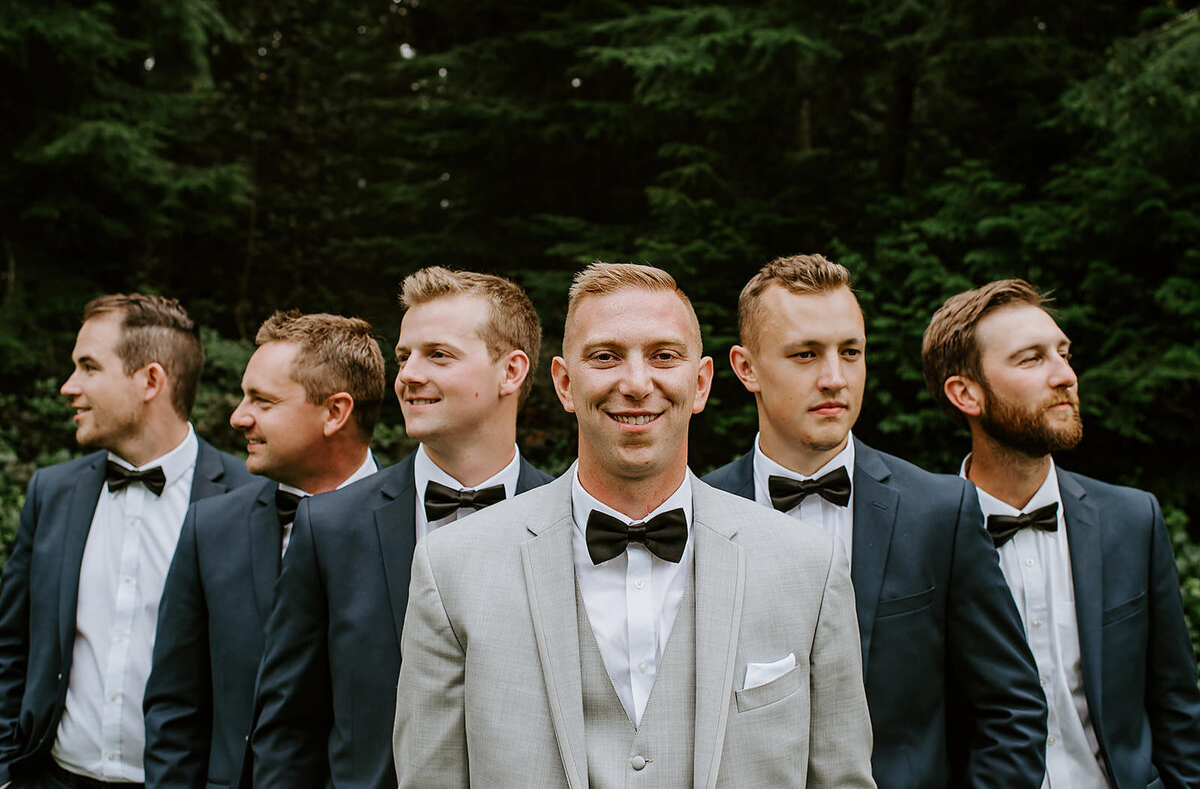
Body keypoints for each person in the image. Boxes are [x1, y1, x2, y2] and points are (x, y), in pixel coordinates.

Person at [394, 263, 875, 789]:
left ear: (700, 384)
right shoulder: (452, 568)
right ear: (563, 383)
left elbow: (841, 778)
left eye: (664, 356)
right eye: (605, 357)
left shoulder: (809, 565)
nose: (637, 383)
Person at [704, 254, 1047, 789]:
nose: (835, 378)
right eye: (805, 354)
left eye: (851, 352)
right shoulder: (699, 514)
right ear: (745, 367)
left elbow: (1011, 710)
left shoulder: (941, 511)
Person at [252, 267, 553, 789]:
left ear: (511, 372)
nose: (408, 375)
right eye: (404, 356)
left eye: (438, 354)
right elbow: (288, 729)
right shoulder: (330, 527)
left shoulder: (570, 521)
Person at [922, 279, 1200, 789]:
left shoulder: (1133, 520)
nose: (1065, 376)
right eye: (1032, 360)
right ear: (966, 394)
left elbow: (1177, 704)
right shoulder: (919, 537)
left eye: (1064, 354)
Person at [0, 294, 257, 788]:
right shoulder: (51, 493)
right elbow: (11, 646)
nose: (68, 387)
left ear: (150, 381)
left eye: (88, 367)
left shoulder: (250, 501)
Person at [142, 311, 387, 789]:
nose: (239, 416)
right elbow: (175, 709)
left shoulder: (415, 526)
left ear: (335, 412)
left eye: (263, 401)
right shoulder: (209, 529)